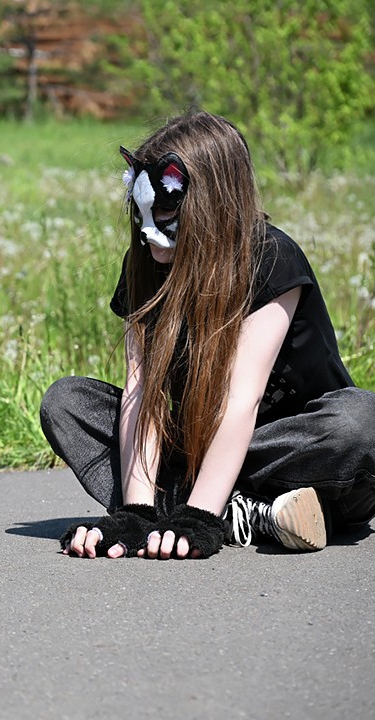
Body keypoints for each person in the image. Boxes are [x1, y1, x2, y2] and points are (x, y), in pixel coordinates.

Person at [39, 109, 375, 560]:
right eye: (140, 216)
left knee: (359, 419)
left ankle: (207, 508)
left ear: (213, 205)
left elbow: (242, 400)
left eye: (164, 215)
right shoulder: (145, 264)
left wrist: (196, 517)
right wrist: (136, 512)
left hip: (302, 457)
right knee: (67, 402)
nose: (148, 234)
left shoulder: (271, 257)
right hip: (198, 451)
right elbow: (144, 394)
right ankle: (252, 514)